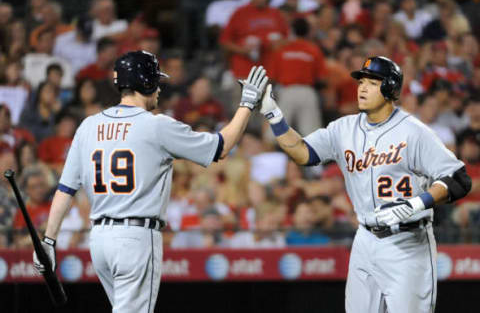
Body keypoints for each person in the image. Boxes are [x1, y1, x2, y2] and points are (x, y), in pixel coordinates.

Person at [32, 50, 268, 312]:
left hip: (99, 240)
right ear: (146, 83)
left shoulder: (89, 126)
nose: (159, 89)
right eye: (156, 81)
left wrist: (49, 240)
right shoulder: (156, 126)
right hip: (135, 237)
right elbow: (220, 147)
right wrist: (247, 104)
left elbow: (65, 188)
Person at [258, 56, 471, 312]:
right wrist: (274, 115)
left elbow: (459, 179)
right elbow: (303, 153)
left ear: (390, 88)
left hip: (408, 242)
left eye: (372, 82)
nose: (362, 87)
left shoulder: (414, 132)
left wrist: (418, 202)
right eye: (361, 81)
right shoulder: (343, 128)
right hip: (365, 239)